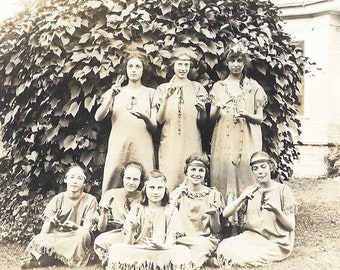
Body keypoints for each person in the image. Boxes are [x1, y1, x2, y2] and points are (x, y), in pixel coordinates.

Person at [209, 39, 268, 229]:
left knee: (245, 174)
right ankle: (226, 223)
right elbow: (211, 118)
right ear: (226, 63)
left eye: (239, 61)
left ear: (244, 63)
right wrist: (217, 109)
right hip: (224, 138)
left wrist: (247, 114)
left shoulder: (253, 87)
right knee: (224, 173)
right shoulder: (219, 87)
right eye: (232, 60)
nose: (236, 65)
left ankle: (247, 222)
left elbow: (260, 118)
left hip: (248, 138)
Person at [217, 151, 297, 268]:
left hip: (275, 243)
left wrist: (277, 211)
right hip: (252, 237)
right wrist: (242, 198)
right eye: (255, 168)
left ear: (271, 167)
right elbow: (225, 213)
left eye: (263, 167)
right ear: (253, 171)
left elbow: (291, 226)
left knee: (241, 256)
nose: (260, 171)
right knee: (224, 247)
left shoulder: (283, 191)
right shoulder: (251, 190)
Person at [95, 51, 157, 195]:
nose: (134, 70)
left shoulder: (151, 93)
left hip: (142, 145)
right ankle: (107, 212)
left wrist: (146, 118)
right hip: (119, 144)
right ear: (126, 69)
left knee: (145, 179)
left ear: (143, 70)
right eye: (130, 66)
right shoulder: (116, 91)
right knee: (113, 176)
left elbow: (154, 127)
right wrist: (111, 96)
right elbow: (98, 117)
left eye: (138, 67)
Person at [106, 170, 191, 270]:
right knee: (116, 250)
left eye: (159, 188)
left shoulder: (171, 210)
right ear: (145, 190)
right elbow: (128, 244)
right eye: (151, 187)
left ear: (165, 190)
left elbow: (170, 240)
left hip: (161, 251)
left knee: (183, 251)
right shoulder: (137, 209)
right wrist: (132, 230)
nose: (155, 192)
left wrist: (161, 246)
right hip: (140, 250)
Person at [21, 164, 98, 269]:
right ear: (65, 180)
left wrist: (75, 226)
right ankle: (54, 258)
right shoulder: (58, 199)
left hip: (76, 236)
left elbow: (87, 230)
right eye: (71, 177)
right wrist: (52, 222)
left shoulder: (90, 200)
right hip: (58, 235)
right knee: (39, 239)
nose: (75, 181)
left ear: (84, 183)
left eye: (79, 178)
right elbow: (45, 231)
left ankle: (50, 259)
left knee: (82, 235)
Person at [156, 47, 207, 191]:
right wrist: (166, 97)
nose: (183, 68)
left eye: (186, 64)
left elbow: (202, 122)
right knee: (170, 176)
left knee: (192, 174)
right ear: (173, 65)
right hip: (169, 141)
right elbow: (159, 120)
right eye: (179, 64)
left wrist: (202, 111)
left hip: (191, 139)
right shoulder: (162, 88)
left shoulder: (197, 88)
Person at [170, 154, 224, 269]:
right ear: (186, 171)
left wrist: (214, 215)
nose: (196, 174)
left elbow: (216, 229)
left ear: (206, 173)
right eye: (193, 169)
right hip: (181, 239)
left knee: (199, 250)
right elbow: (167, 217)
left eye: (201, 170)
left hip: (203, 240)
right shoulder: (178, 192)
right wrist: (176, 198)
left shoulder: (213, 195)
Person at [93, 161, 145, 266]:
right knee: (101, 241)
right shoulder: (111, 194)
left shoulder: (144, 197)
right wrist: (104, 212)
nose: (131, 182)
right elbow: (101, 228)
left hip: (138, 235)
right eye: (128, 178)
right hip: (119, 234)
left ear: (140, 181)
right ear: (123, 178)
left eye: (135, 179)